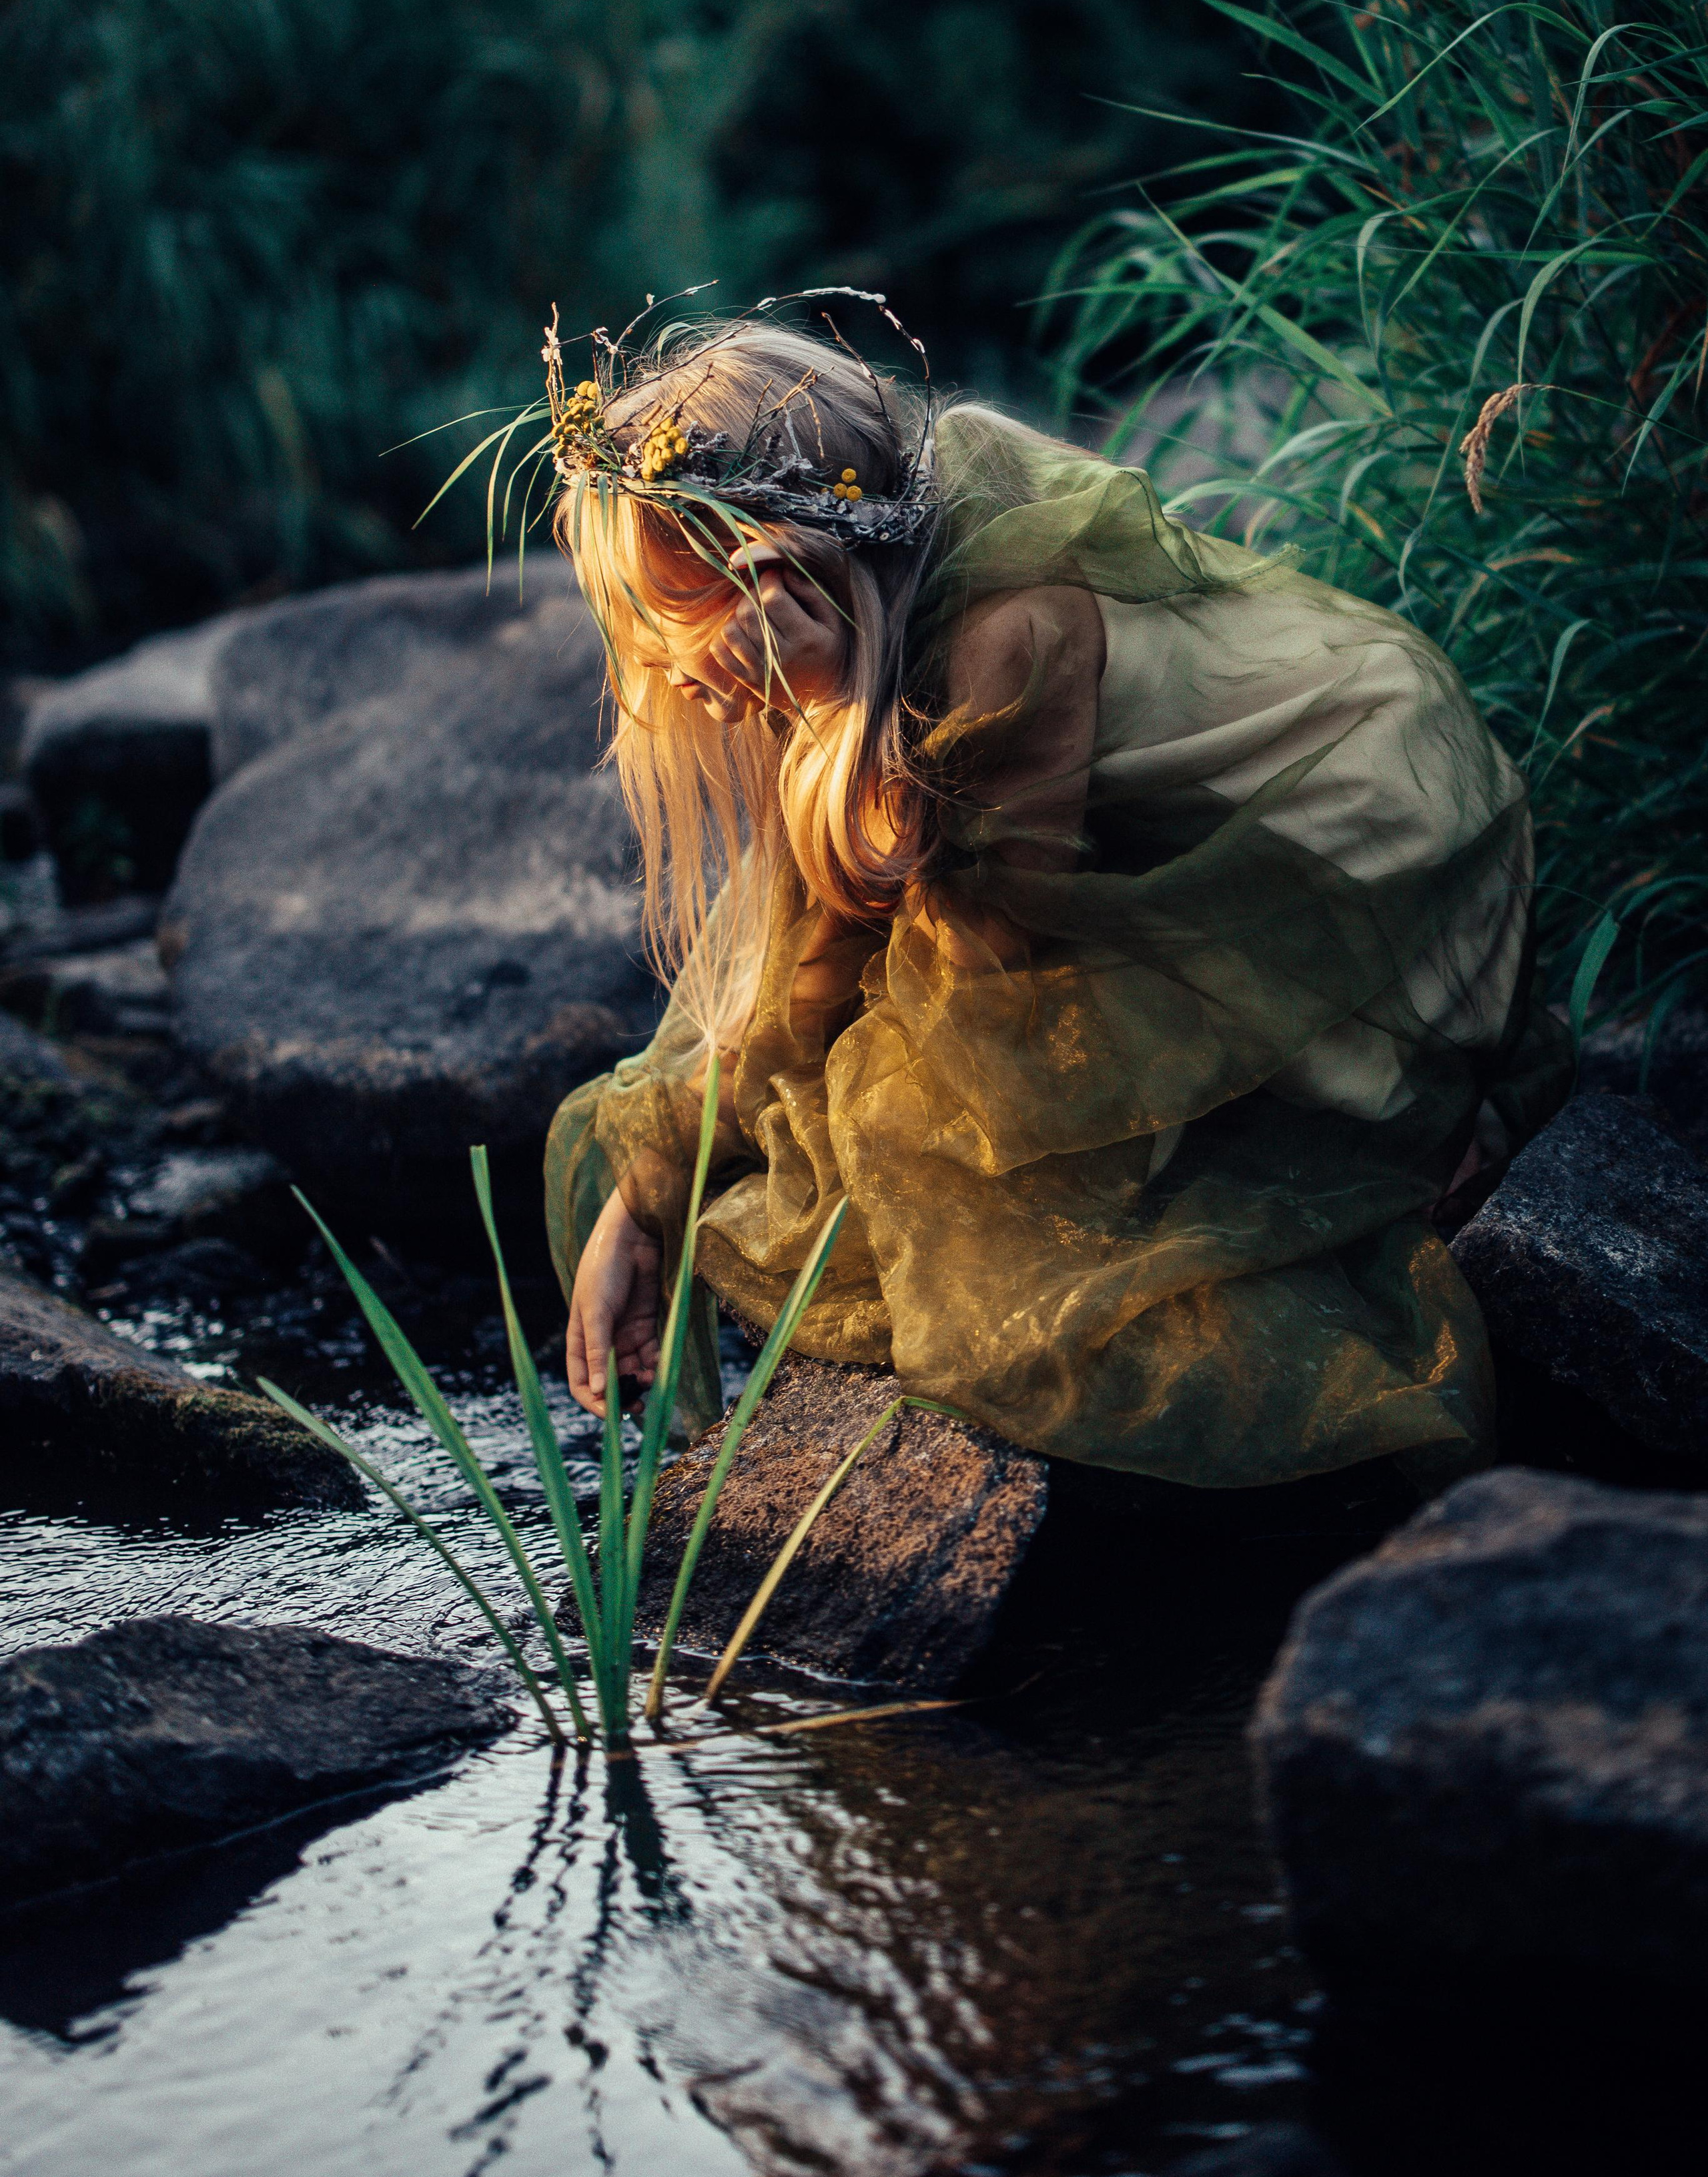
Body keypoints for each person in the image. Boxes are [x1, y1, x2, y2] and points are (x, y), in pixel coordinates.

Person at [539, 307, 1571, 1494]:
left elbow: (986, 999)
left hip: (1353, 856)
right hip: (1136, 844)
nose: (658, 673)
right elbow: (814, 948)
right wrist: (651, 1183)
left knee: (976, 1203)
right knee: (850, 1099)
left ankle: (1417, 1106)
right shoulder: (869, 607)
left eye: (670, 624)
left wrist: (830, 714)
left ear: (780, 572)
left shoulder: (1006, 636)